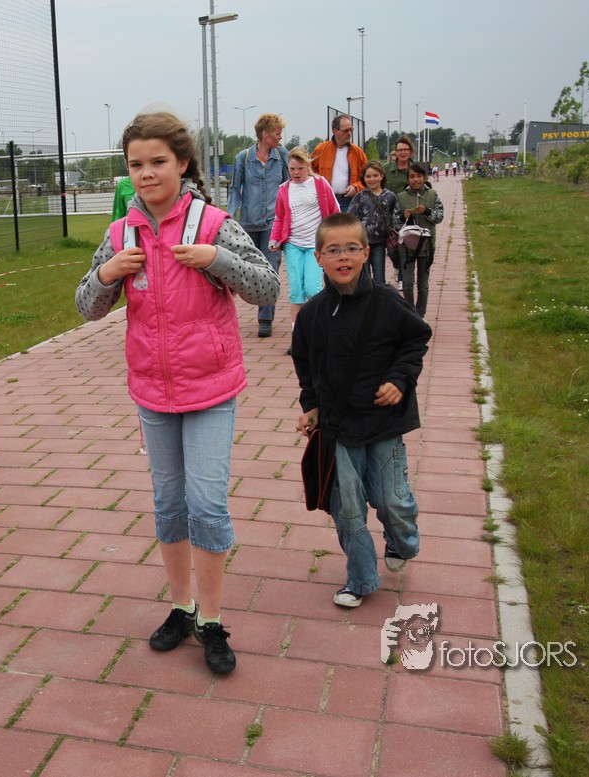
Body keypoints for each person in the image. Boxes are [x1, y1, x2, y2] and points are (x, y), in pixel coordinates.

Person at [75, 110, 279, 674]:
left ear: (183, 163)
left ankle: (211, 620)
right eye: (135, 164)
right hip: (153, 393)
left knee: (206, 506)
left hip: (211, 390)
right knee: (169, 506)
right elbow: (87, 307)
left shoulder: (214, 223)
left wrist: (218, 260)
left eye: (158, 162)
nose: (146, 174)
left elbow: (267, 286)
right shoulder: (121, 234)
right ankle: (181, 608)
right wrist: (108, 274)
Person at [291, 212, 431, 608]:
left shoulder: (387, 301)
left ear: (366, 253)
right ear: (319, 258)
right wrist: (311, 405)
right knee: (348, 509)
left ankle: (402, 540)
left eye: (352, 248)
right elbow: (304, 364)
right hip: (338, 426)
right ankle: (361, 578)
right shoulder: (312, 314)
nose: (343, 257)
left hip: (384, 422)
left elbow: (416, 339)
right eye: (333, 250)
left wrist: (399, 379)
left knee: (392, 502)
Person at [267, 147, 339, 346]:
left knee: (312, 288)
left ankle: (319, 331)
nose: (296, 173)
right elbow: (279, 217)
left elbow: (334, 211)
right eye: (292, 169)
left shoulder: (320, 184)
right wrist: (274, 238)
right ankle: (297, 337)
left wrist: (335, 237)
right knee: (296, 290)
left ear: (308, 166)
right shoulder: (284, 189)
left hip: (315, 245)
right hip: (293, 244)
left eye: (300, 168)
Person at [227, 112, 288, 338]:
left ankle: (265, 318)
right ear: (264, 134)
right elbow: (235, 189)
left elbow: (287, 186)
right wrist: (229, 216)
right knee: (241, 269)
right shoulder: (243, 158)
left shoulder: (282, 156)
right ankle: (225, 313)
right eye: (277, 133)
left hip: (273, 222)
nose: (280, 137)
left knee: (270, 268)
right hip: (249, 222)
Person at [392, 162, 444, 316]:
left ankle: (420, 315)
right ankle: (410, 313)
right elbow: (395, 223)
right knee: (407, 283)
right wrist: (404, 217)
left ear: (425, 177)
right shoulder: (400, 197)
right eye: (412, 177)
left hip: (426, 247)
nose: (415, 180)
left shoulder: (432, 195)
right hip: (406, 248)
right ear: (408, 179)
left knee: (423, 285)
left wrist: (427, 211)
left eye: (419, 176)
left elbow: (439, 217)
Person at [345, 160, 398, 285]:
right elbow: (350, 218)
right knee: (364, 277)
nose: (372, 179)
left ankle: (379, 296)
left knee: (379, 277)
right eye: (368, 176)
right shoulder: (360, 197)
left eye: (375, 175)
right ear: (364, 178)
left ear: (382, 176)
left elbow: (396, 217)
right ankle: (365, 297)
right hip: (362, 243)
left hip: (380, 243)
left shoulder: (390, 196)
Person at [309, 114, 368, 213]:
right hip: (325, 201)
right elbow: (310, 171)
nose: (349, 133)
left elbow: (366, 177)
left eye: (351, 130)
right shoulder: (321, 149)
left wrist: (355, 187)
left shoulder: (358, 153)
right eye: (346, 131)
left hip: (349, 202)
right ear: (335, 131)